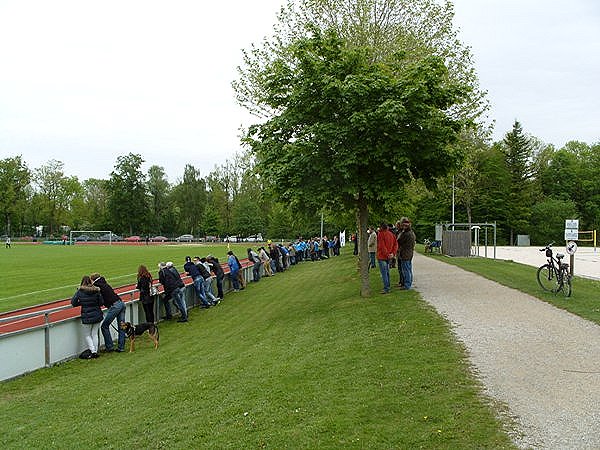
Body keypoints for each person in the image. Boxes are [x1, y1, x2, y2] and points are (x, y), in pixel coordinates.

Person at [91, 272, 126, 352]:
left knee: (104, 326)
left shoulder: (97, 285)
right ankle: (121, 347)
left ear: (93, 280)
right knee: (121, 327)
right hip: (120, 303)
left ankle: (109, 347)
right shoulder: (104, 283)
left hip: (114, 306)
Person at [71, 275, 104, 358]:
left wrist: (82, 302)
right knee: (94, 334)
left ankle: (93, 351)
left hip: (87, 316)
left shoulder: (80, 291)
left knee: (87, 335)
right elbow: (101, 302)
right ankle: (95, 351)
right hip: (97, 314)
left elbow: (73, 302)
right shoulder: (96, 290)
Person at [376, 223, 398, 294]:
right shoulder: (392, 234)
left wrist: (387, 254)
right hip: (389, 256)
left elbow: (382, 246)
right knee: (387, 272)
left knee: (384, 273)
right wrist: (393, 253)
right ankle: (387, 286)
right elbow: (396, 244)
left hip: (382, 256)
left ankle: (386, 288)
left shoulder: (381, 234)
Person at [397, 217, 416, 290]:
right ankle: (409, 283)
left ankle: (407, 285)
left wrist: (401, 233)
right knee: (408, 269)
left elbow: (399, 240)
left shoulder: (406, 234)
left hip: (405, 253)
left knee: (406, 270)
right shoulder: (411, 232)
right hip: (409, 253)